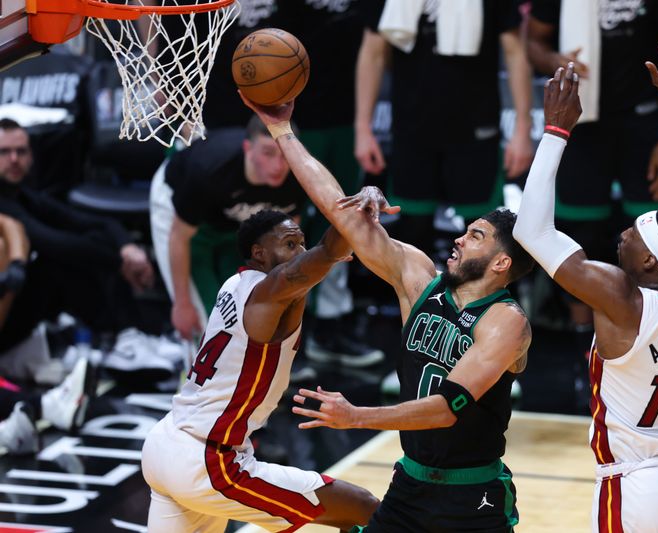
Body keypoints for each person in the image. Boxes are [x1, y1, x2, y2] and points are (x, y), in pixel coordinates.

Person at [242, 96, 534, 532]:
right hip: (410, 486)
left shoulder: (506, 322)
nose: (458, 239)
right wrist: (282, 131)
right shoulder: (419, 280)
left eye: (475, 236)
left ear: (501, 263)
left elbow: (445, 409)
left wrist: (356, 415)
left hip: (473, 499)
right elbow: (339, 213)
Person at [513, 32, 658, 531]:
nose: (623, 234)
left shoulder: (623, 299)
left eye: (634, 235)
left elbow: (531, 230)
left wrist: (556, 132)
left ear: (648, 265)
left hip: (638, 485)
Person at [142, 202, 385, 532]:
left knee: (348, 511)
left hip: (166, 445)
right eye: (289, 244)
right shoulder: (267, 295)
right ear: (258, 254)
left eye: (301, 243)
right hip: (209, 462)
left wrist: (327, 254)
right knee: (362, 507)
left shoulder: (234, 285)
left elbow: (320, 257)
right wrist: (356, 211)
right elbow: (325, 251)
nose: (299, 251)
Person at [526, 0, 658, 328]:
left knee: (651, 237)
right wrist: (555, 60)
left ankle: (651, 334)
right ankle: (584, 351)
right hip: (582, 118)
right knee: (578, 238)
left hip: (644, 120)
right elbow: (533, 43)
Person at [356, 0, 534, 259]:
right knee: (411, 235)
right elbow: (372, 53)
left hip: (476, 129)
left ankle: (482, 301)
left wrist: (522, 128)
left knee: (481, 236)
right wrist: (363, 127)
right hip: (411, 128)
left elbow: (516, 53)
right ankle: (418, 301)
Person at [266, 0, 385, 367]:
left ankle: (331, 324)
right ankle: (283, 330)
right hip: (298, 117)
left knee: (345, 220)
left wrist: (364, 123)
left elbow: (376, 44)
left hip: (348, 117)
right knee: (290, 225)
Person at [0, 118, 153, 355]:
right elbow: (51, 243)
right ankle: (124, 335)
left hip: (14, 312)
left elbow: (92, 222)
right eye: (4, 152)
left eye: (21, 151)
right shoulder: (5, 206)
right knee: (58, 261)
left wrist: (126, 247)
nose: (14, 159)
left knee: (88, 242)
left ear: (32, 156)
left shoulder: (26, 196)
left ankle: (130, 334)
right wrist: (119, 262)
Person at [149, 115, 306, 341]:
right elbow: (179, 238)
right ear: (247, 149)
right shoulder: (210, 170)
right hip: (179, 213)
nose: (278, 166)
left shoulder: (299, 176)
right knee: (204, 322)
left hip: (231, 226)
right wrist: (182, 304)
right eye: (268, 153)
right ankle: (194, 367)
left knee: (245, 314)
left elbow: (286, 246)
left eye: (285, 155)